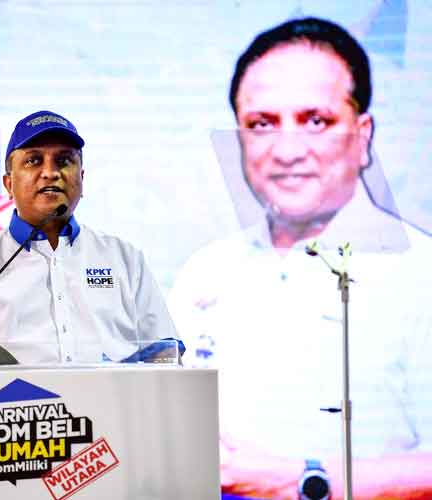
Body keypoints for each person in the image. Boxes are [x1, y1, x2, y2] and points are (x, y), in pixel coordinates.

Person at [169, 17, 432, 499]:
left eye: (316, 121)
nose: (287, 151)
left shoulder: (421, 275)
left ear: (363, 136)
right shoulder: (205, 271)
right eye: (262, 124)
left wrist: (304, 481)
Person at [0, 110, 179, 365]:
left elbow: (165, 355)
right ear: (9, 184)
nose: (50, 172)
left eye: (64, 161)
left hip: (116, 396)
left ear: (81, 178)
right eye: (33, 161)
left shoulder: (126, 260)